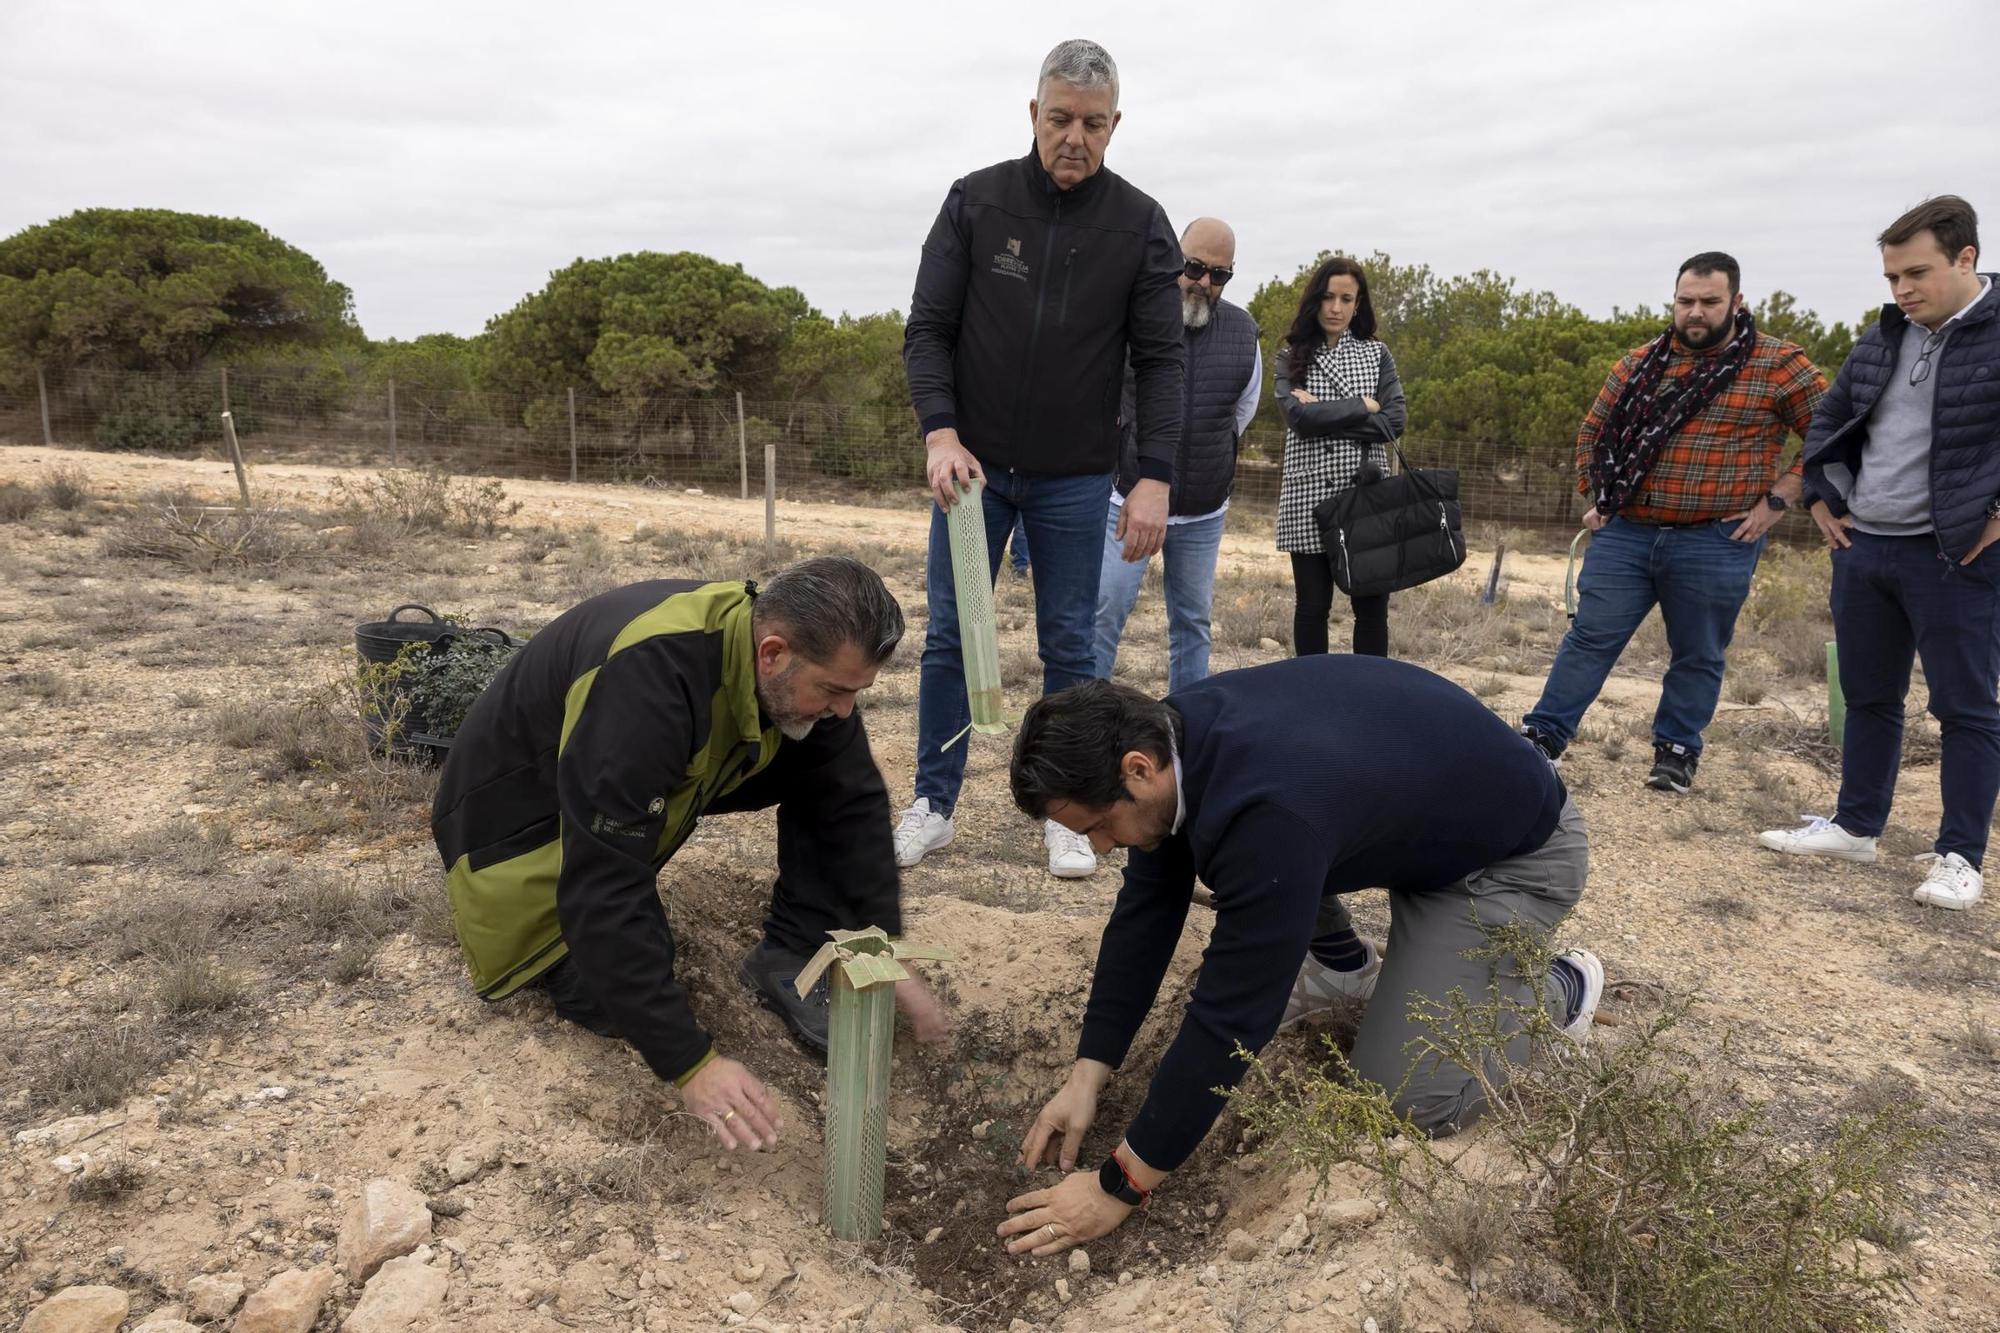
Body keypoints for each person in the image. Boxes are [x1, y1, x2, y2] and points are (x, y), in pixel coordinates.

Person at [993, 664, 1602, 1256]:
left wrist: (1119, 1187)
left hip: (1508, 861)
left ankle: (1557, 990)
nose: (1099, 846)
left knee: (1408, 1099)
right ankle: (1341, 964)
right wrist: (1087, 1073)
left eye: (1098, 825)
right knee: (1259, 861)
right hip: (1416, 832)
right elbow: (1148, 908)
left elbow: (1233, 1014)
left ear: (1138, 768)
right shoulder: (1173, 738)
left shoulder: (1265, 810)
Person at [430, 558, 947, 1151]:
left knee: (822, 761)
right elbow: (604, 886)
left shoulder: (762, 645)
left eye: (857, 692)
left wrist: (881, 937)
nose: (844, 710)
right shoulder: (647, 687)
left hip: (619, 772)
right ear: (773, 653)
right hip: (514, 832)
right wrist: (692, 1065)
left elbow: (853, 797)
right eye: (833, 690)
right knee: (610, 983)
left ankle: (789, 950)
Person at [896, 38, 1186, 881]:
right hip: (973, 472)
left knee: (1072, 644)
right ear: (1034, 113)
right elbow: (928, 330)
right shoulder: (976, 203)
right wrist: (940, 431)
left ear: (1115, 125)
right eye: (1059, 119)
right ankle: (933, 802)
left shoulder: (1140, 224)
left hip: (1074, 478)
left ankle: (1072, 809)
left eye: (1093, 124)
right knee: (954, 634)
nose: (1074, 137)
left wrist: (1155, 476)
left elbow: (1163, 361)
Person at [1758, 196, 2000, 912]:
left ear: (1966, 258)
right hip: (1867, 548)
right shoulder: (1886, 333)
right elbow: (1832, 416)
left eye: (1916, 273)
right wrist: (1822, 494)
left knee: (1966, 708)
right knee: (1868, 697)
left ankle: (1960, 857)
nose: (1901, 290)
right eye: (1892, 277)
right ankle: (1857, 826)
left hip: (1955, 555)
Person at [1520, 253, 1827, 794]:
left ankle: (1676, 751)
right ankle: (1543, 738)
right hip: (1629, 531)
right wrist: (1599, 493)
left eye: (1710, 302)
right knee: (1589, 637)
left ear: (1737, 302)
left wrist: (1777, 501)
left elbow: (1831, 434)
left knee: (1698, 652)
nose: (1696, 312)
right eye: (1686, 301)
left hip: (1717, 538)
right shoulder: (1639, 365)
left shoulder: (1778, 365)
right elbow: (1593, 433)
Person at [1093, 217, 1261, 692]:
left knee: (1192, 624)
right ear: (1173, 260)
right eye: (1194, 267)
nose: (1204, 282)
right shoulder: (1132, 317)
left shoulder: (1245, 331)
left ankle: (1187, 725)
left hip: (1203, 510)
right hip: (1125, 500)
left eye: (1220, 274)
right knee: (1106, 612)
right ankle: (1088, 722)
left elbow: (1241, 411)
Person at [1274, 255, 1407, 657]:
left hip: (1365, 495)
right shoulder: (1290, 355)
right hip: (1308, 493)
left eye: (1346, 298)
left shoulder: (1377, 354)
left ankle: (1370, 697)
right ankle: (1314, 698)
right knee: (1312, 608)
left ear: (1358, 303)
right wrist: (1362, 405)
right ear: (1315, 300)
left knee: (1371, 610)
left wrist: (1325, 411)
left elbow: (1393, 422)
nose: (1336, 308)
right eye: (1329, 297)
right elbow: (1298, 418)